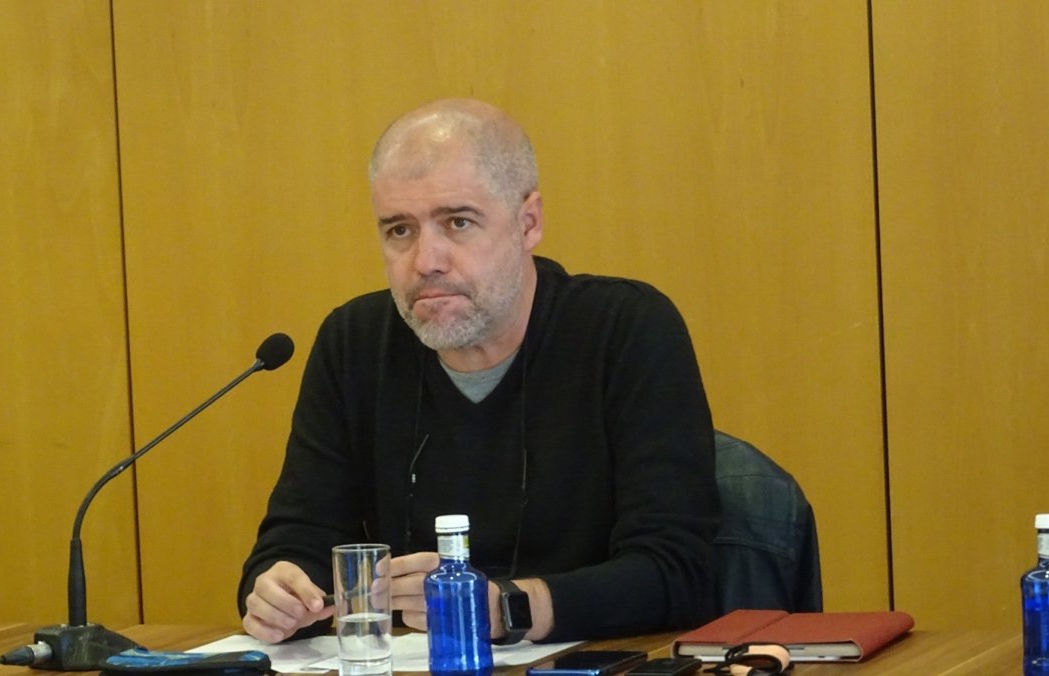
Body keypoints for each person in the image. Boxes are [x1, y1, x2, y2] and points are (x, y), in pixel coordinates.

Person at [238, 98, 720, 644]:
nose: (426, 261)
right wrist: (277, 593)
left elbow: (679, 572)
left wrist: (504, 609)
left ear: (528, 223)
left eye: (458, 222)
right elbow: (298, 540)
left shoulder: (624, 329)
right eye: (400, 231)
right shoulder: (354, 343)